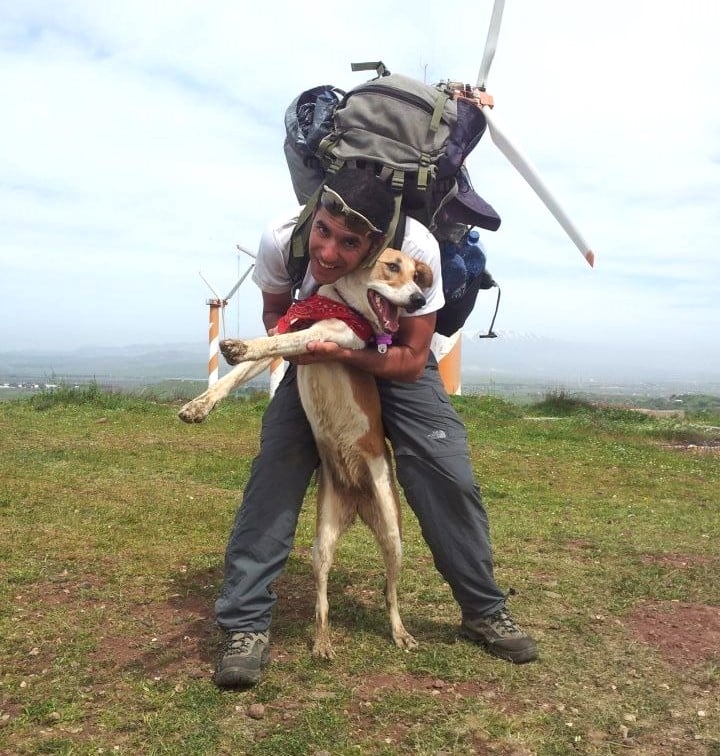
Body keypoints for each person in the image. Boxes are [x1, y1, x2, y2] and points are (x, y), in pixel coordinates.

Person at [214, 168, 538, 688]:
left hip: (390, 356)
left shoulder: (416, 249)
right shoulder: (281, 237)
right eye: (323, 231)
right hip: (318, 345)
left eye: (349, 244)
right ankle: (245, 625)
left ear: (376, 244)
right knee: (278, 463)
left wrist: (353, 351)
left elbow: (411, 358)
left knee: (444, 468)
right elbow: (277, 312)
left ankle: (483, 609)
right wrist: (311, 342)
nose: (328, 253)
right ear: (313, 213)